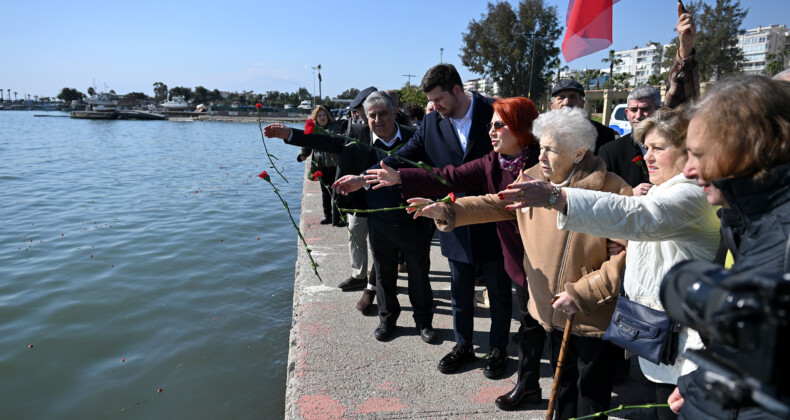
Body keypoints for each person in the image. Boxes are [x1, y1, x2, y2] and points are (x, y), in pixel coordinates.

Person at [407, 107, 630, 418]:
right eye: (540, 147)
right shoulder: (533, 180)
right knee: (562, 388)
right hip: (551, 311)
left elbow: (624, 259)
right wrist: (447, 211)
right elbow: (493, 203)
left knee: (591, 397)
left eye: (551, 150)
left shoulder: (614, 190)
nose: (540, 157)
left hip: (592, 316)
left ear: (579, 152)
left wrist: (583, 292)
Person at [503, 108, 720, 420]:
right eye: (646, 148)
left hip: (685, 345)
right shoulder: (665, 188)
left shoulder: (691, 193)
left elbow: (640, 217)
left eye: (658, 148)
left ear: (690, 151)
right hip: (659, 332)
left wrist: (557, 198)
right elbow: (638, 224)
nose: (647, 157)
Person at [363, 97, 544, 406]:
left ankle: (512, 360)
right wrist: (403, 178)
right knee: (526, 320)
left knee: (540, 323)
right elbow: (451, 175)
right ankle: (525, 382)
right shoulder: (493, 161)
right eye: (490, 125)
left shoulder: (544, 164)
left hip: (543, 260)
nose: (491, 132)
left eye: (499, 125)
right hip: (517, 257)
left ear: (522, 129)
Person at [337, 64, 512, 379]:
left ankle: (498, 348)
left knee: (499, 290)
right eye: (431, 101)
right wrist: (363, 179)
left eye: (439, 98)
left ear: (457, 90)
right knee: (460, 290)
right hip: (451, 218)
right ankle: (464, 345)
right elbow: (402, 156)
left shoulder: (495, 112)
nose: (435, 106)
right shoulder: (432, 123)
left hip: (494, 217)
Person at [264, 91, 437, 343]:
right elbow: (326, 142)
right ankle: (387, 319)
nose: (378, 120)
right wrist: (289, 134)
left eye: (383, 114)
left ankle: (424, 322)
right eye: (372, 115)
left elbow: (432, 168)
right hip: (378, 221)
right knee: (383, 273)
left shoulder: (414, 137)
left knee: (419, 274)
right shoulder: (358, 136)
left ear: (394, 112)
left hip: (413, 218)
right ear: (365, 117)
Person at [668, 76, 790, 420]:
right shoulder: (754, 221)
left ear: (745, 148)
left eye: (698, 155)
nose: (689, 171)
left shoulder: (782, 241)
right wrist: (698, 382)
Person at [598, 2, 699, 188]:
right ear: (626, 114)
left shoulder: (677, 143)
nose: (639, 115)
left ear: (660, 110)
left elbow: (680, 89)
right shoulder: (610, 152)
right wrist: (629, 194)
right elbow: (600, 198)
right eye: (634, 110)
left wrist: (685, 46)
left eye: (645, 109)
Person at [297, 105, 342, 225]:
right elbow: (306, 143)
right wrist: (303, 154)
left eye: (324, 115)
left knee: (337, 192)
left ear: (328, 116)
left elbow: (335, 140)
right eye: (319, 116)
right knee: (325, 192)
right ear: (316, 118)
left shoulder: (335, 127)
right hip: (321, 165)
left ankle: (340, 217)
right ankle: (328, 216)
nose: (322, 117)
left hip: (335, 164)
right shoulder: (314, 130)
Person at [548, 79, 617, 154]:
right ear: (552, 106)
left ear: (582, 104)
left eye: (573, 97)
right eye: (561, 98)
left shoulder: (604, 134)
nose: (566, 102)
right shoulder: (543, 133)